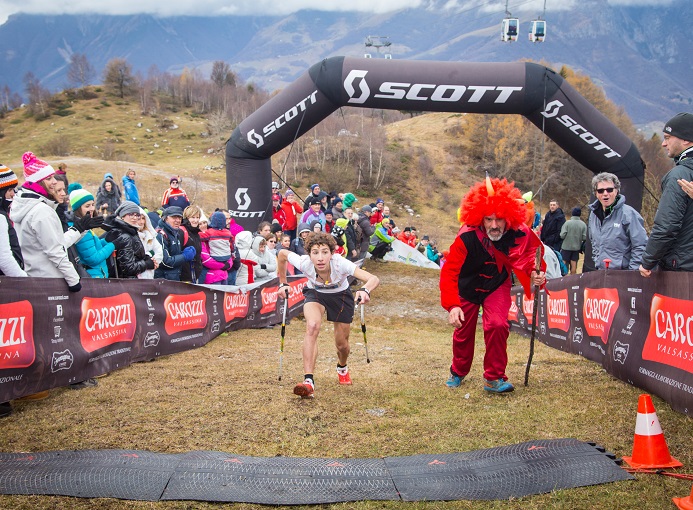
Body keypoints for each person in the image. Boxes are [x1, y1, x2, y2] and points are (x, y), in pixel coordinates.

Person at [440, 177, 545, 394]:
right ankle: (458, 371)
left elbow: (528, 257)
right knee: (463, 331)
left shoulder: (520, 233)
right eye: (488, 219)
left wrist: (535, 274)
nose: (494, 225)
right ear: (480, 218)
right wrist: (452, 305)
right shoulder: (466, 236)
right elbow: (449, 271)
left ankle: (494, 377)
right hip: (467, 287)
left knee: (498, 325)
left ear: (510, 218)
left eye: (499, 219)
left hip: (497, 285)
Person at [277, 232, 380, 399]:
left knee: (342, 345)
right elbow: (282, 254)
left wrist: (365, 289)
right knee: (312, 326)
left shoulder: (341, 264)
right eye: (315, 252)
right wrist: (283, 283)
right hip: (315, 293)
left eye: (325, 252)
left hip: (341, 297)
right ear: (309, 254)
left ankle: (342, 367)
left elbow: (373, 278)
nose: (320, 258)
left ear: (332, 253)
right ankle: (308, 381)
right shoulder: (304, 262)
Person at [11, 152, 89, 291]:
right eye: (49, 178)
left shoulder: (26, 207)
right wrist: (73, 280)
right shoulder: (41, 211)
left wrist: (78, 230)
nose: (54, 181)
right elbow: (55, 251)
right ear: (38, 182)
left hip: (36, 278)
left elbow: (52, 243)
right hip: (50, 281)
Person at [640, 112, 693, 276]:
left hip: (680, 269)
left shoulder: (679, 175)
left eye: (668, 137)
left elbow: (666, 226)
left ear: (685, 139)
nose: (663, 143)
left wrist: (648, 261)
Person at [587, 172, 647, 271]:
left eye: (609, 190)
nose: (605, 193)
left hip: (623, 275)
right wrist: (597, 261)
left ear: (616, 191)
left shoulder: (629, 214)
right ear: (596, 193)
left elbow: (640, 245)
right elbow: (594, 243)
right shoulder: (593, 215)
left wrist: (632, 272)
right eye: (601, 191)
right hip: (601, 273)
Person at [103, 201, 157, 278]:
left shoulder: (130, 231)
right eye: (131, 214)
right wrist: (147, 264)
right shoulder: (125, 236)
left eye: (137, 215)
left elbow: (132, 254)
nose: (135, 218)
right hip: (125, 283)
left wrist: (145, 258)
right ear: (122, 216)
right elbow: (128, 268)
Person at [69, 189, 116, 278]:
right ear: (78, 208)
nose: (92, 208)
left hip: (96, 274)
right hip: (93, 277)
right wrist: (113, 245)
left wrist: (106, 240)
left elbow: (93, 246)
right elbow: (93, 259)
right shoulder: (82, 231)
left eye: (93, 204)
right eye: (87, 206)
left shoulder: (85, 226)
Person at [154, 206, 195, 281]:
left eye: (179, 218)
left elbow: (173, 254)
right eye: (174, 217)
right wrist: (184, 256)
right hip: (163, 280)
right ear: (166, 218)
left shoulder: (175, 232)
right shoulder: (160, 234)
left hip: (174, 278)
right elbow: (164, 262)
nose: (178, 220)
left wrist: (185, 252)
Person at [0, 165, 26, 277]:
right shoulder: (0, 217)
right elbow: (4, 258)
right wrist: (24, 281)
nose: (13, 194)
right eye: (9, 190)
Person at [136, 207, 163, 279]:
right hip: (136, 275)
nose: (141, 222)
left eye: (143, 218)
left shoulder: (149, 235)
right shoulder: (131, 236)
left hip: (149, 274)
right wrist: (146, 262)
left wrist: (154, 262)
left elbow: (159, 250)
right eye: (139, 219)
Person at [559, 207, 587, 274]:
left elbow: (562, 235)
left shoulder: (567, 223)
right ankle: (572, 279)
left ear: (572, 213)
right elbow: (584, 237)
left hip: (566, 247)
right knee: (574, 264)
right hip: (576, 248)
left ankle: (563, 278)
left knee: (563, 264)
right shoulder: (583, 224)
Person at [180, 205, 203, 283]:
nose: (195, 220)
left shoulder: (196, 233)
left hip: (194, 275)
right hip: (184, 277)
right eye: (193, 217)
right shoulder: (182, 231)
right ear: (187, 218)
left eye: (197, 217)